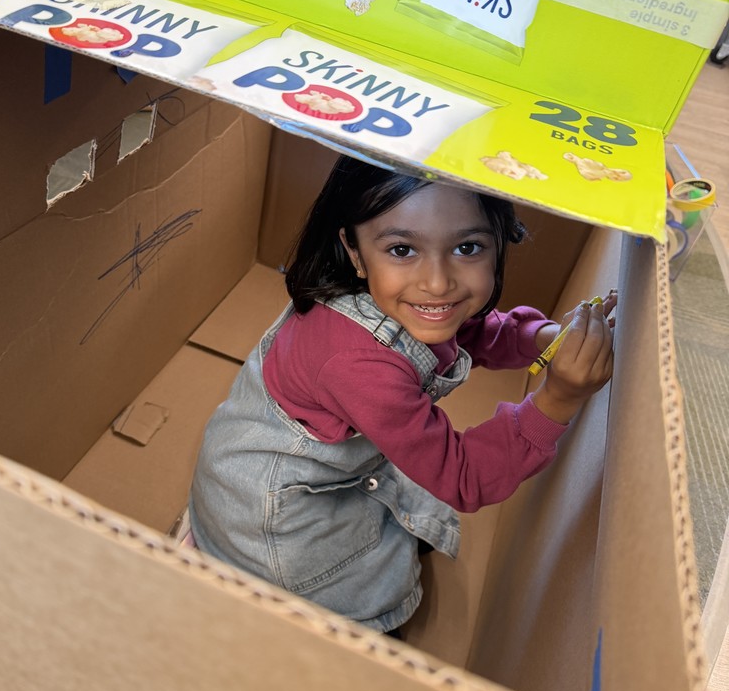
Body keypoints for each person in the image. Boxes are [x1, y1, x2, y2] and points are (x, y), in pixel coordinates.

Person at [189, 156, 616, 634]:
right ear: (353, 250)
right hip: (272, 522)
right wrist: (559, 398)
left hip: (287, 464)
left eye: (468, 247)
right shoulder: (358, 364)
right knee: (375, 605)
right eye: (402, 250)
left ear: (499, 241)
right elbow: (464, 476)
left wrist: (545, 338)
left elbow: (466, 330)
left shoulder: (393, 296)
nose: (437, 282)